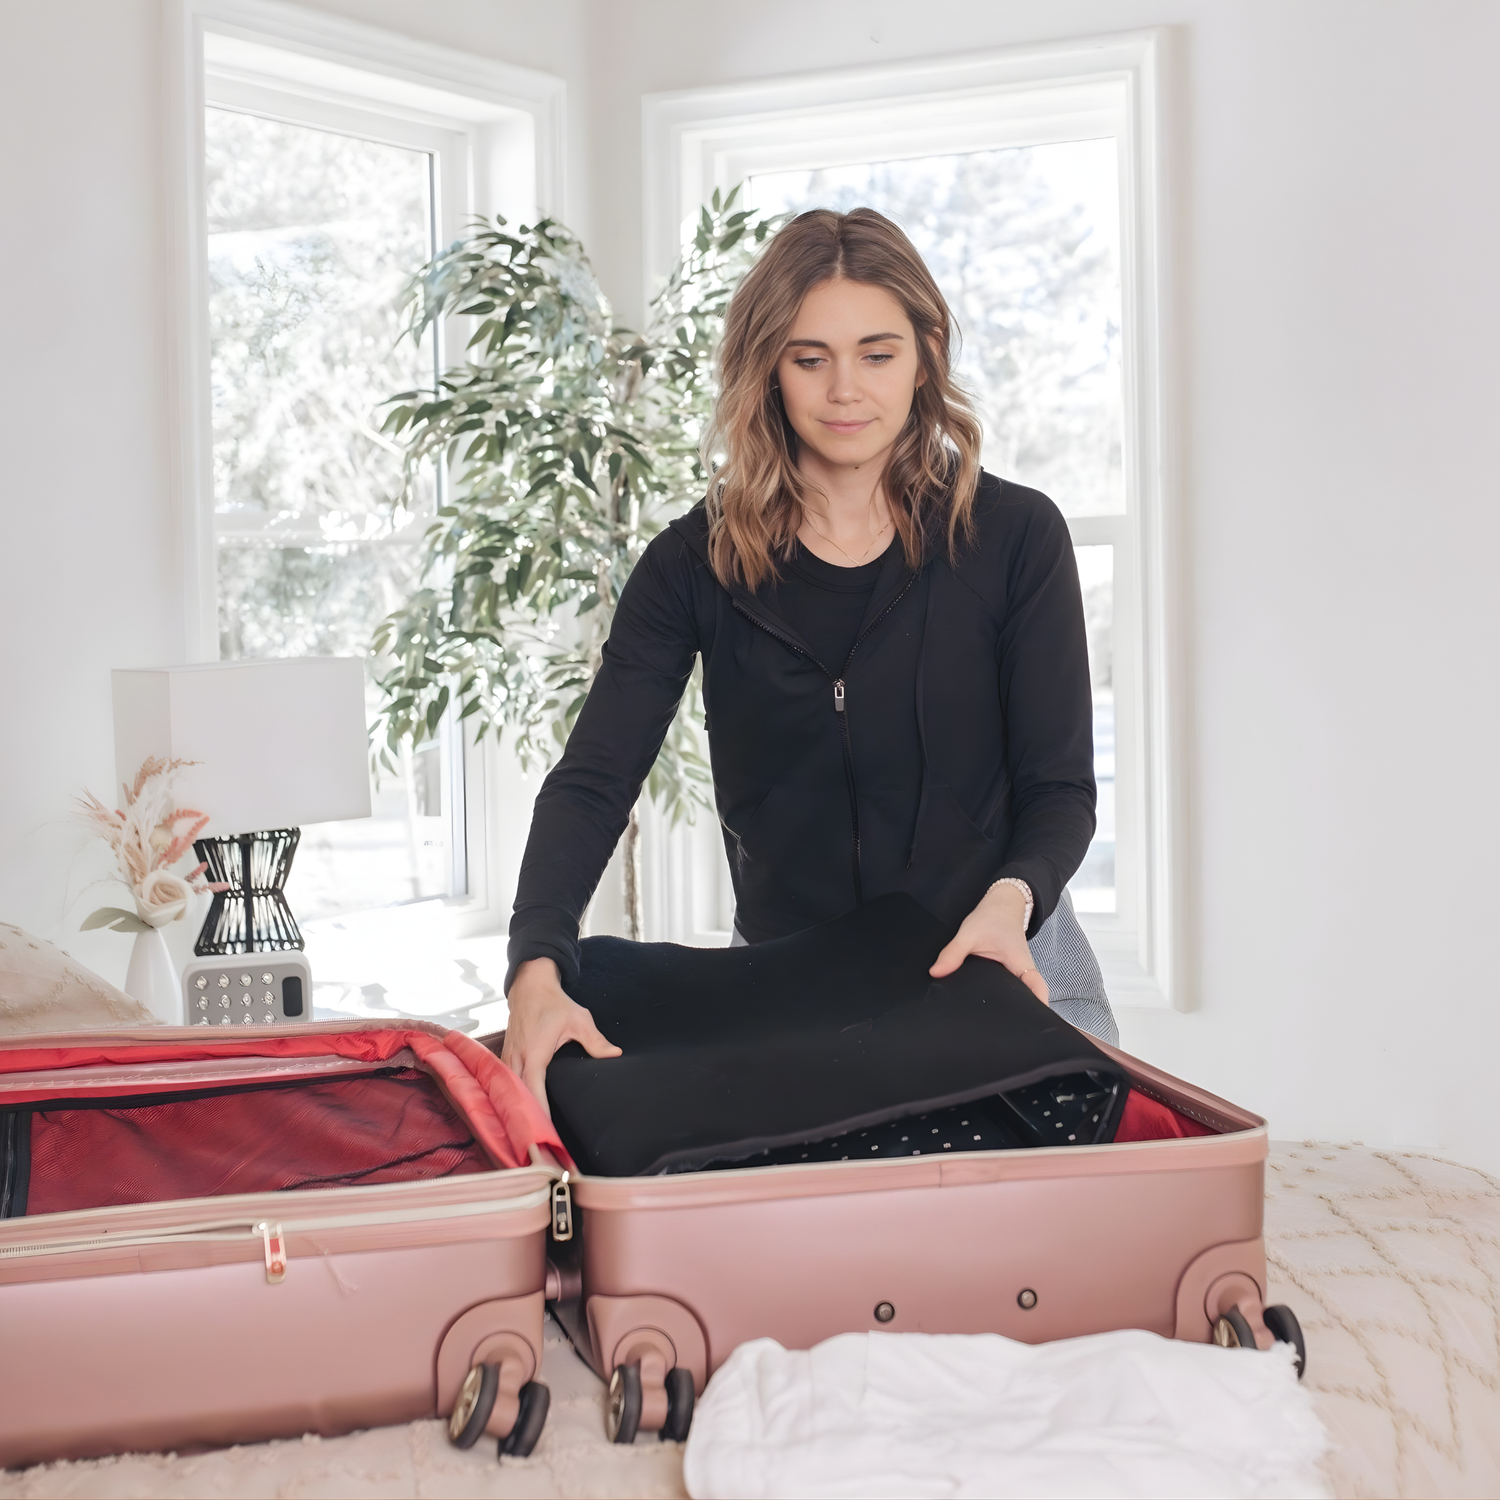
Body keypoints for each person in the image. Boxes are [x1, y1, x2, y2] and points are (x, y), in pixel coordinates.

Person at [502, 207, 1114, 1109]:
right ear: (768, 370)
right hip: (805, 984)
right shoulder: (691, 566)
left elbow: (1060, 790)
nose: (844, 392)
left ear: (926, 353)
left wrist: (1013, 900)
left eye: (877, 353)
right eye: (808, 357)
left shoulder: (1015, 537)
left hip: (1002, 946)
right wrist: (535, 965)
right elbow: (595, 782)